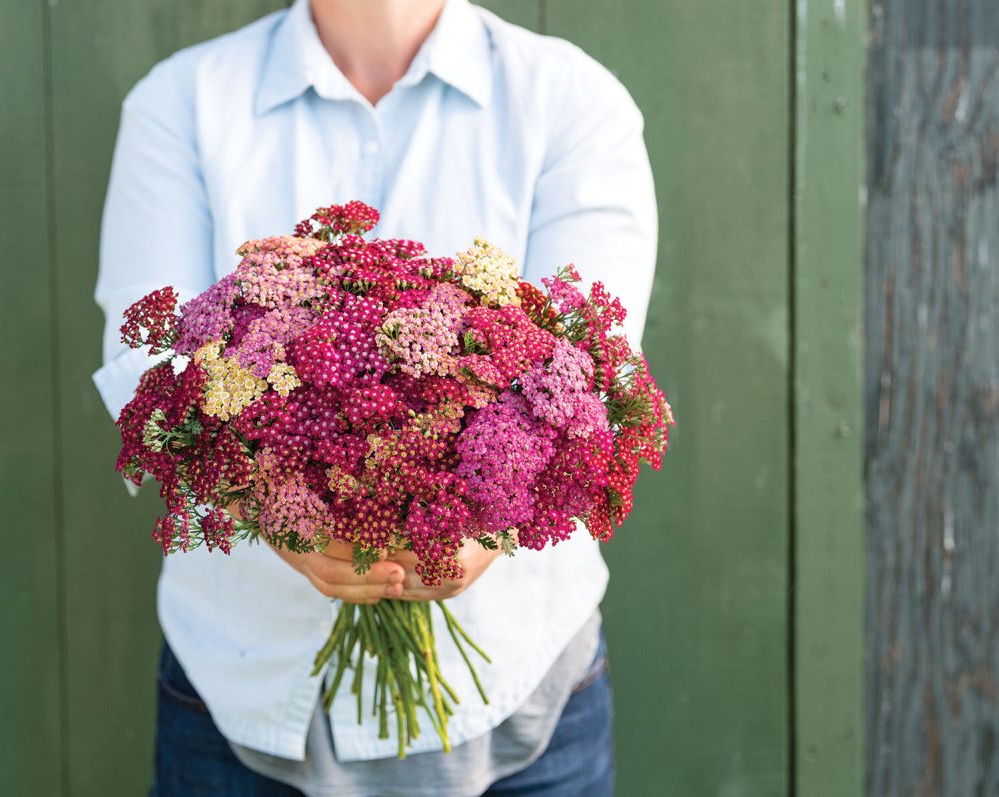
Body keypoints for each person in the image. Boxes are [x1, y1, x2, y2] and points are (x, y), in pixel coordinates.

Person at [93, 0, 657, 794]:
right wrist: (280, 518)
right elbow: (143, 367)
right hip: (240, 691)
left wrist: (487, 530)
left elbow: (593, 378)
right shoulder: (181, 102)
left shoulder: (571, 100)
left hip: (518, 697)